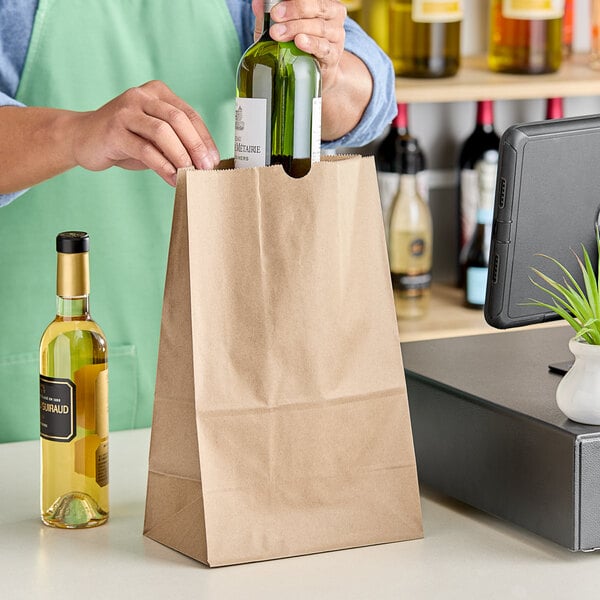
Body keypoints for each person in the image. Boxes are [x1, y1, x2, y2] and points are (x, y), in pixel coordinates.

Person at [0, 0, 396, 442]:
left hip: (231, 370)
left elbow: (373, 98)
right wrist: (77, 133)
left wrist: (327, 70)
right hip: (43, 391)